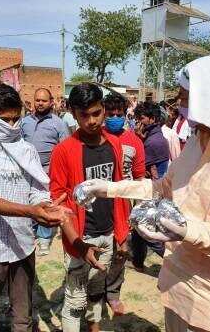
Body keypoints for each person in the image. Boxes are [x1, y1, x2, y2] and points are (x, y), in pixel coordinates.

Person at [79, 56, 210, 332]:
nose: (178, 106)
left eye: (184, 98)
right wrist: (108, 188)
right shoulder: (197, 140)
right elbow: (162, 188)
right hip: (176, 288)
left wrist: (188, 230)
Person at [0, 83, 70, 332]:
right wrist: (31, 212)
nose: (11, 126)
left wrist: (43, 206)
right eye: (5, 120)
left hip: (22, 245)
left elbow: (36, 189)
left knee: (23, 317)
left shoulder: (26, 149)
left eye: (16, 119)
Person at [49, 83, 129, 332]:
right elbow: (59, 203)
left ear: (103, 110)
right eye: (85, 115)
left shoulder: (114, 144)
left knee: (96, 291)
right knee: (75, 300)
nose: (92, 121)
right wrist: (78, 245)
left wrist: (122, 235)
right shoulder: (64, 151)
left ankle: (95, 328)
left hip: (107, 233)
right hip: (80, 238)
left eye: (96, 113)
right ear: (73, 113)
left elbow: (119, 193)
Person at [102, 93, 146, 315]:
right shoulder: (95, 137)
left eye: (119, 114)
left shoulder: (134, 141)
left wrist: (137, 209)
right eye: (111, 114)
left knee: (121, 251)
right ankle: (95, 290)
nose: (115, 118)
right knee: (98, 248)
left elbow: (139, 178)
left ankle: (113, 293)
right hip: (99, 205)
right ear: (103, 114)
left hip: (125, 206)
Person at [22, 88, 69, 256]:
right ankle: (31, 231)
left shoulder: (58, 123)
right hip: (27, 171)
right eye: (37, 100)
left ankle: (44, 239)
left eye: (43, 100)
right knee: (28, 201)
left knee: (46, 203)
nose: (40, 103)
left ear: (51, 102)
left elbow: (65, 149)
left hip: (48, 171)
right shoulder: (25, 122)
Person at [135, 101, 170, 179]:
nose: (138, 122)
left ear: (152, 119)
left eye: (141, 118)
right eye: (137, 119)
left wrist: (137, 139)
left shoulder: (153, 142)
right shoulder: (152, 135)